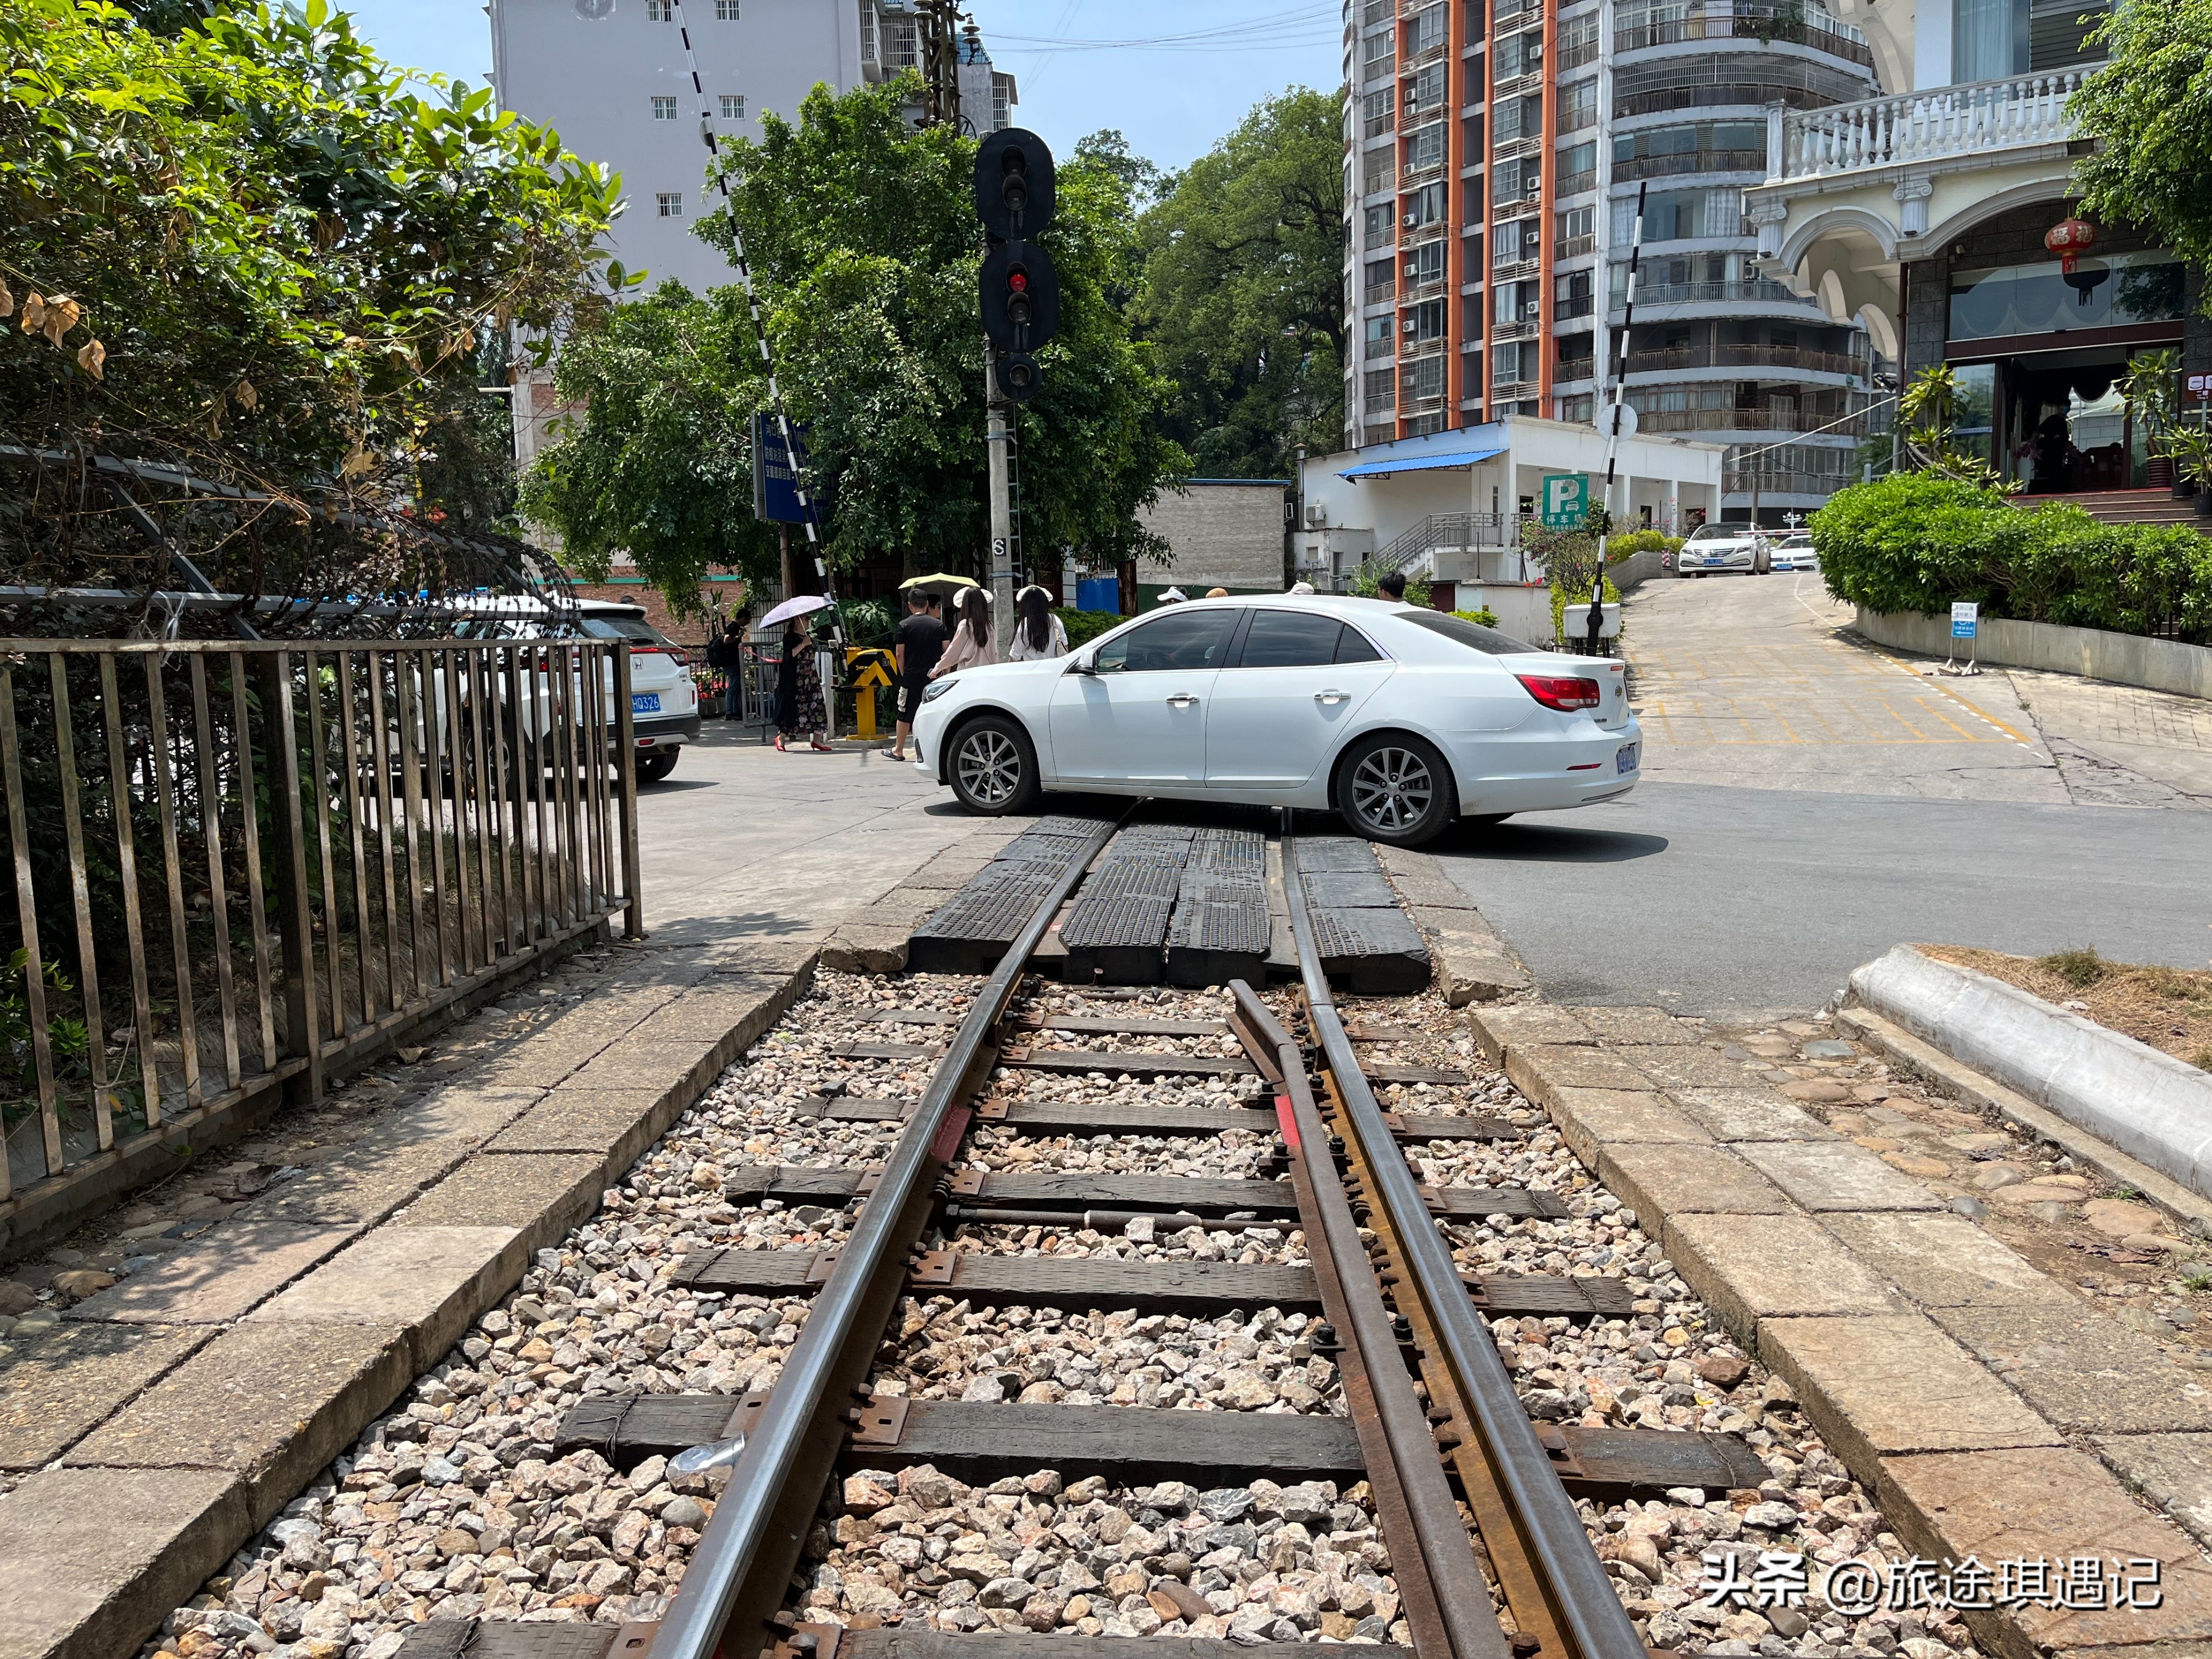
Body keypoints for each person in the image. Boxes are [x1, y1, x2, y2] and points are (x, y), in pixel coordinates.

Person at [890, 587, 947, 761]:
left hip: (911, 676)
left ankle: (898, 750)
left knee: (905, 713)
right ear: (927, 604)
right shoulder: (939, 625)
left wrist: (904, 672)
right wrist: (944, 672)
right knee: (934, 713)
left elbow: (899, 654)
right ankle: (934, 751)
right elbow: (946, 651)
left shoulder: (904, 625)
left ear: (910, 606)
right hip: (934, 677)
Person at [773, 619, 831, 752]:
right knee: (793, 707)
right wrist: (803, 644)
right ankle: (782, 737)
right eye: (805, 619)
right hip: (797, 678)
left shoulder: (808, 635)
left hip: (811, 677)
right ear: (797, 621)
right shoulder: (789, 637)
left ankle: (817, 740)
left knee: (817, 706)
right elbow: (789, 656)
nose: (808, 621)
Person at [931, 587, 996, 677]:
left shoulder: (966, 625)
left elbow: (953, 652)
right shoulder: (990, 626)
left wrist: (937, 669)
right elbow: (994, 653)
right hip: (988, 674)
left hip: (969, 675)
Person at [1007, 585, 1069, 661]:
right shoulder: (1055, 620)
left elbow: (1015, 655)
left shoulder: (1025, 624)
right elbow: (1065, 647)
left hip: (1032, 671)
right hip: (1054, 670)